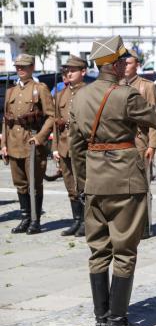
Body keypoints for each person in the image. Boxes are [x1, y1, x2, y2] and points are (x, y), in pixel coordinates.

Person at [69, 35, 156, 326]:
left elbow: (75, 144)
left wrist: (83, 179)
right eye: (123, 60)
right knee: (124, 251)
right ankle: (117, 322)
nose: (125, 64)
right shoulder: (126, 95)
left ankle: (100, 321)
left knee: (98, 252)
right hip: (125, 180)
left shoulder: (79, 97)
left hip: (94, 181)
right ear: (116, 64)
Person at [1, 54, 55, 235]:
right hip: (14, 142)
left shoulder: (40, 89)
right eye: (17, 66)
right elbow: (6, 119)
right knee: (20, 183)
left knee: (34, 183)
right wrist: (4, 144)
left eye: (24, 66)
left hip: (31, 141)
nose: (20, 69)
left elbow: (51, 117)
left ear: (32, 67)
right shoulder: (11, 91)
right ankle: (25, 217)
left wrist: (40, 137)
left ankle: (35, 220)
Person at [122, 49, 156, 239]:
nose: (125, 66)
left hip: (140, 141)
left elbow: (153, 117)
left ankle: (144, 224)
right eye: (123, 62)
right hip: (122, 142)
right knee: (124, 185)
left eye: (128, 62)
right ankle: (129, 223)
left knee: (142, 185)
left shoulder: (147, 86)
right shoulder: (118, 85)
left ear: (136, 64)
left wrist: (153, 144)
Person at [52, 55, 88, 237]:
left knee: (84, 185)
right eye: (67, 70)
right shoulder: (60, 95)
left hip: (82, 147)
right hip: (65, 145)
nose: (69, 73)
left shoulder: (88, 92)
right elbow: (55, 123)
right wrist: (55, 148)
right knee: (70, 185)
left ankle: (87, 222)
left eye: (73, 70)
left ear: (83, 72)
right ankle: (77, 220)